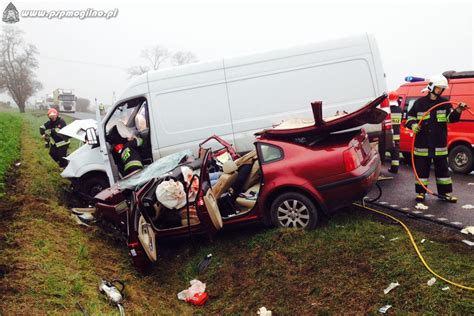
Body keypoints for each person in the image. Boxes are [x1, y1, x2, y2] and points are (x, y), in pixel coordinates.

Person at [405, 74, 468, 202]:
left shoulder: (444, 104)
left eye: (442, 89)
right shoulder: (419, 103)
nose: (440, 91)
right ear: (432, 87)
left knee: (443, 171)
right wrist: (414, 125)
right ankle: (421, 193)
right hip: (422, 144)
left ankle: (445, 194)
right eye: (438, 88)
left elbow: (451, 119)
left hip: (439, 144)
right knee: (421, 170)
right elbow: (409, 118)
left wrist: (459, 110)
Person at [387, 91, 403, 174]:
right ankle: (395, 169)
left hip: (387, 135)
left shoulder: (387, 110)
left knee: (382, 150)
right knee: (395, 152)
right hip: (396, 135)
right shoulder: (400, 110)